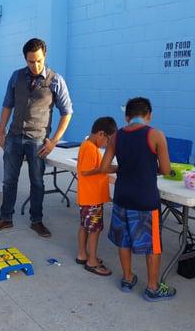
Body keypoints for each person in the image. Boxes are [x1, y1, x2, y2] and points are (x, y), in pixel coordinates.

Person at [0, 38, 73, 238]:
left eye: (39, 61)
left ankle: (37, 220)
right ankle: (5, 218)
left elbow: (67, 112)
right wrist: (1, 132)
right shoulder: (16, 77)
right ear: (25, 59)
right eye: (31, 61)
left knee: (37, 182)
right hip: (14, 136)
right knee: (9, 181)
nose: (35, 65)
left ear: (45, 56)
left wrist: (54, 141)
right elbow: (7, 105)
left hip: (38, 140)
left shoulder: (56, 80)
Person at [99, 97, 176, 302]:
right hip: (145, 200)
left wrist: (121, 168)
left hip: (122, 197)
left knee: (123, 240)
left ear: (127, 117)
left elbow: (104, 167)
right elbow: (167, 170)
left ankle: (127, 278)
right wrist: (148, 169)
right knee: (153, 245)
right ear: (148, 116)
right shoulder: (155, 135)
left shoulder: (116, 137)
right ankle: (152, 288)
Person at [75, 117, 117, 276]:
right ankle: (92, 261)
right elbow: (86, 171)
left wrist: (105, 171)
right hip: (92, 199)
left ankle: (82, 254)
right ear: (101, 134)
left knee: (85, 226)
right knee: (95, 229)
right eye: (108, 141)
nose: (108, 145)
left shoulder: (88, 146)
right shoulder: (90, 148)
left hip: (88, 197)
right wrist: (108, 168)